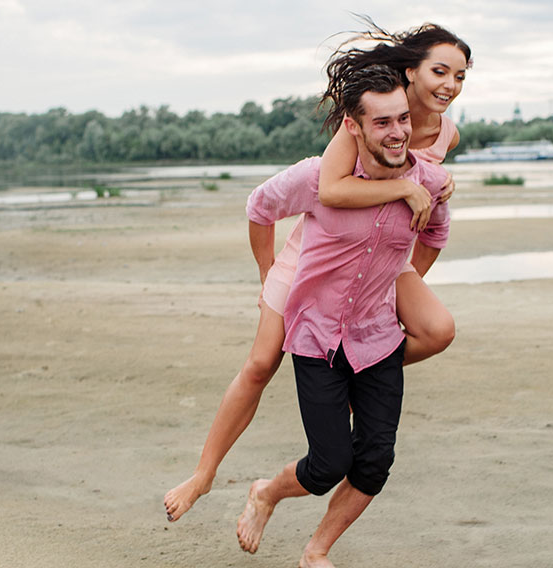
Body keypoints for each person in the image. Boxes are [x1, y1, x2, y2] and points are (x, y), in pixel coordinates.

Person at [164, 21, 471, 523]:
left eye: (460, 76)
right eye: (440, 71)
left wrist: (400, 271)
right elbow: (330, 192)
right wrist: (268, 272)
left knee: (437, 330)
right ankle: (204, 473)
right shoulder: (365, 118)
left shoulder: (445, 132)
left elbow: (426, 206)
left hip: (377, 256)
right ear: (409, 72)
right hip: (320, 252)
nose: (450, 85)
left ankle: (350, 371)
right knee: (262, 363)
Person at [236, 63, 450, 568]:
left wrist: (399, 283)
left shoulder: (431, 181)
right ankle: (266, 492)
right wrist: (269, 279)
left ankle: (316, 550)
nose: (398, 131)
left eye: (402, 118)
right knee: (328, 463)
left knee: (375, 461)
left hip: (377, 340)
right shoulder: (318, 178)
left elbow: (436, 235)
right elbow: (259, 206)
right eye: (382, 123)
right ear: (354, 126)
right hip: (316, 337)